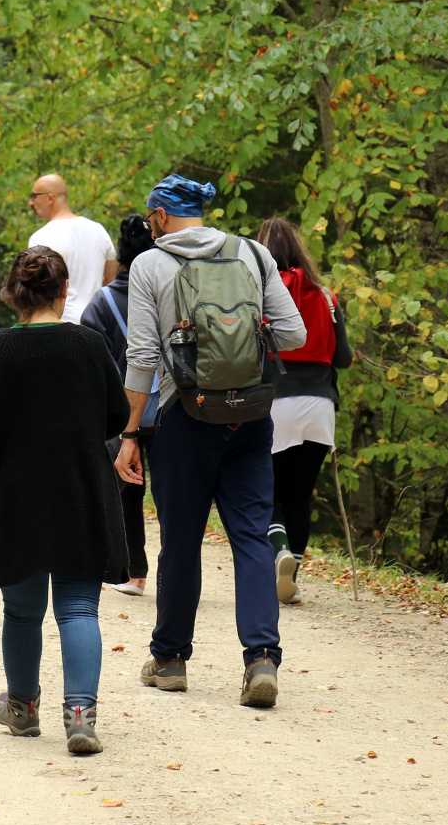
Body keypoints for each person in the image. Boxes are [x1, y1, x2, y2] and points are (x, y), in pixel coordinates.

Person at [113, 174, 305, 708]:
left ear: (158, 216)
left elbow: (143, 359)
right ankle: (262, 658)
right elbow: (295, 336)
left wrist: (129, 433)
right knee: (249, 536)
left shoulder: (150, 265)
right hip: (250, 416)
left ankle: (171, 659)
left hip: (184, 417)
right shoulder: (253, 254)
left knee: (181, 540)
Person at [0, 246, 129, 754]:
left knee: (22, 612)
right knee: (78, 609)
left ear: (15, 294)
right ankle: (80, 716)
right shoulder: (90, 344)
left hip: (16, 495)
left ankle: (22, 707)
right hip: (81, 489)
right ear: (63, 291)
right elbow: (116, 417)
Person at [258, 217, 354, 604]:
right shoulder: (326, 297)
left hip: (274, 403)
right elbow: (343, 358)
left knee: (267, 492)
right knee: (301, 495)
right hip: (319, 406)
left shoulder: (261, 294)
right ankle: (291, 575)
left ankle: (278, 549)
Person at [80, 214, 159, 596]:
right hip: (170, 406)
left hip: (121, 410)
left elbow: (93, 362)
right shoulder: (171, 291)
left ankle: (133, 572)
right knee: (174, 492)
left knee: (125, 486)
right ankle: (178, 575)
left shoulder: (104, 300)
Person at [27, 173, 118, 324]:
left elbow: (36, 294)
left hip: (60, 327)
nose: (31, 203)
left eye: (34, 196)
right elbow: (111, 280)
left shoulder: (40, 238)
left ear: (50, 198)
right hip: (98, 323)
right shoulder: (98, 230)